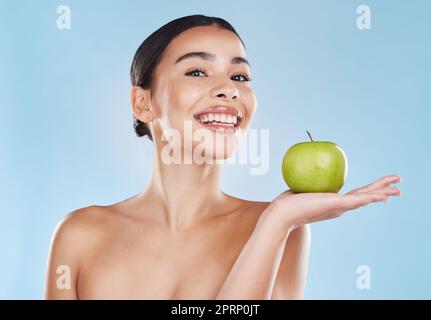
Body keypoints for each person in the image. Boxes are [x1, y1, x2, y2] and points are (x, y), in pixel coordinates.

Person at [45, 14, 402, 300]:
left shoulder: (282, 229)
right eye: (197, 71)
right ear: (143, 103)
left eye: (240, 75)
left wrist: (277, 222)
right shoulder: (79, 235)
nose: (230, 89)